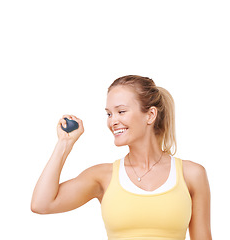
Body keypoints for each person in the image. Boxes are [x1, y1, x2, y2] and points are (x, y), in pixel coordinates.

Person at [31, 75, 212, 240]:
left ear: (150, 115)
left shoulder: (191, 174)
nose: (112, 121)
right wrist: (64, 144)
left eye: (121, 111)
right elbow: (42, 204)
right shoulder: (103, 176)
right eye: (109, 114)